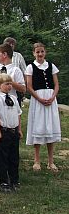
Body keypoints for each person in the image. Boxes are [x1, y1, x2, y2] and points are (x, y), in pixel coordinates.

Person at [25, 43, 61, 173]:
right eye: (37, 52)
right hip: (38, 99)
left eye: (42, 52)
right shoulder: (30, 67)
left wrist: (52, 97)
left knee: (50, 126)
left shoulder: (51, 66)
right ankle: (37, 160)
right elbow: (29, 86)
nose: (40, 54)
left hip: (50, 98)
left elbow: (56, 84)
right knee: (38, 126)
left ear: (45, 52)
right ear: (34, 53)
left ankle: (51, 161)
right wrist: (39, 98)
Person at [0, 73, 22, 192]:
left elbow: (18, 114)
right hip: (4, 131)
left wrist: (19, 129)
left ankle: (14, 180)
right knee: (2, 157)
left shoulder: (14, 98)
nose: (9, 86)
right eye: (6, 84)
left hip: (14, 131)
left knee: (14, 157)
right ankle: (3, 181)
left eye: (10, 84)